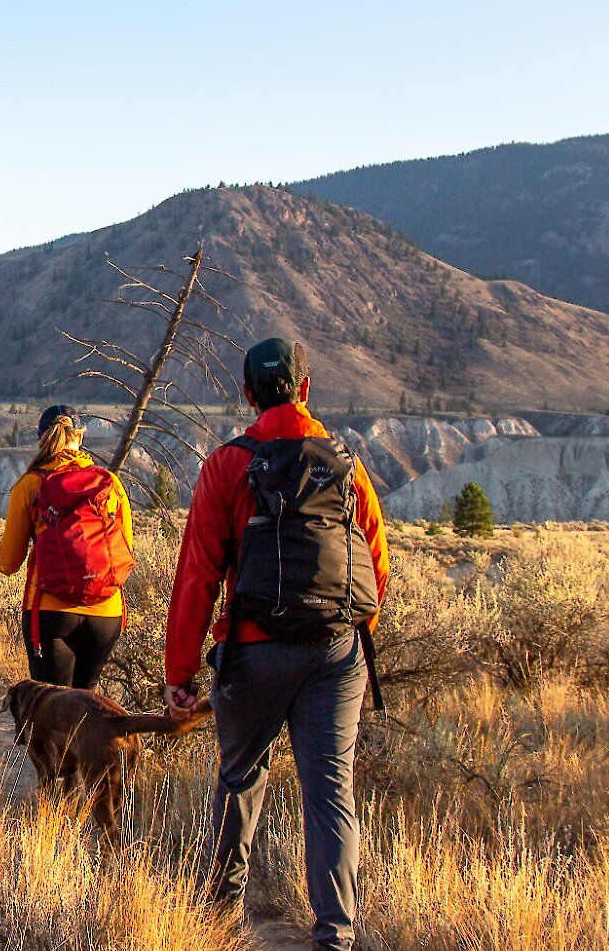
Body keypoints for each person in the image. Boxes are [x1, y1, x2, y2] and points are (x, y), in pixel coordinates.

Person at [164, 338, 389, 951]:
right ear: (306, 389)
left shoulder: (228, 465)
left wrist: (180, 672)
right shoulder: (345, 463)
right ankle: (335, 935)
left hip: (253, 650)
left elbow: (197, 576)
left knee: (239, 777)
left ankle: (221, 914)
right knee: (330, 791)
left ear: (247, 395)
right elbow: (376, 564)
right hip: (337, 651)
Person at [0, 403, 135, 689]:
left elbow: (8, 563)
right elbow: (126, 551)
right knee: (85, 709)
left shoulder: (30, 485)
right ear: (80, 437)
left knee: (51, 713)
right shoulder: (110, 483)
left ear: (41, 438)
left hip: (50, 612)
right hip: (106, 613)